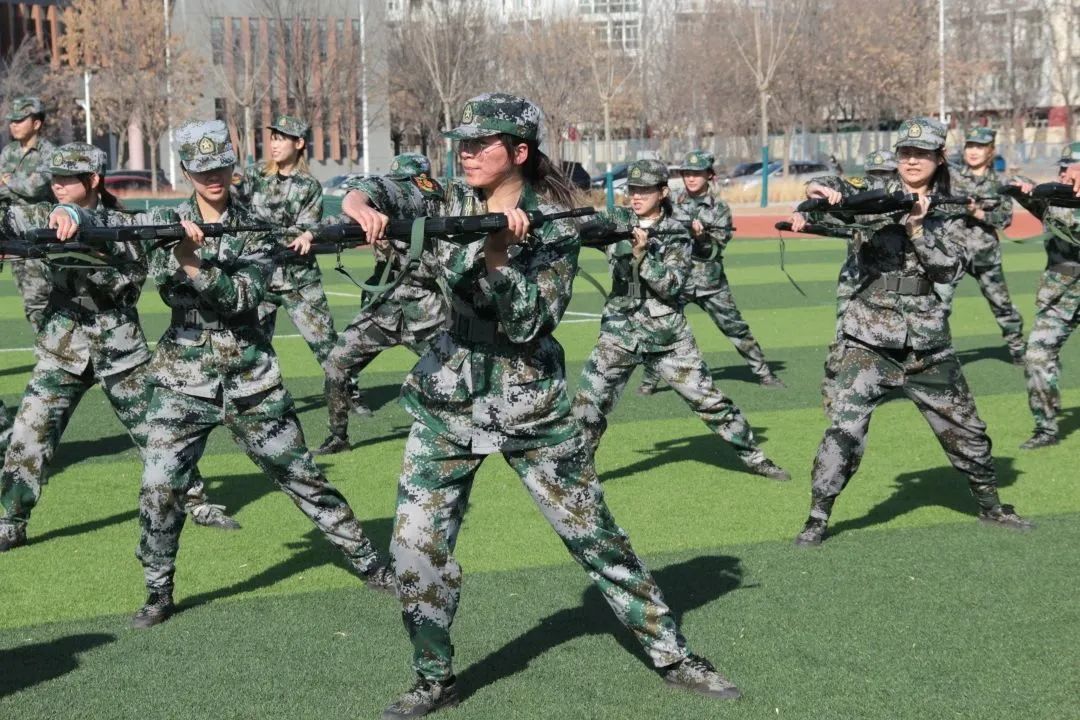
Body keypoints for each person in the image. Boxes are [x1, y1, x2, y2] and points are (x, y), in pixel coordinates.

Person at [335, 94, 744, 718]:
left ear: (519, 151)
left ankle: (672, 653)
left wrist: (498, 257)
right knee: (414, 551)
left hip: (529, 402)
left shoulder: (556, 223)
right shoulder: (446, 198)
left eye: (482, 143)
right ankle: (433, 676)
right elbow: (381, 188)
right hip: (446, 397)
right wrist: (359, 205)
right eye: (463, 142)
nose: (467, 152)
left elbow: (531, 322)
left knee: (595, 538)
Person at [63, 121, 393, 627]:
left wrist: (192, 263)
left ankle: (370, 562)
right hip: (181, 380)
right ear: (186, 170)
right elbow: (114, 240)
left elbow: (242, 298)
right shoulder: (163, 221)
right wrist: (72, 214)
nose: (213, 177)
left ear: (233, 164)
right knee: (158, 487)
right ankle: (157, 589)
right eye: (202, 170)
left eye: (220, 166)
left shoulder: (256, 226)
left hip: (250, 377)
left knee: (302, 478)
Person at [790, 117, 1032, 547]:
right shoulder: (877, 191)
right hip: (867, 340)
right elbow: (837, 185)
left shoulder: (954, 205)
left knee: (968, 433)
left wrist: (918, 227)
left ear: (940, 158)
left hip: (926, 344)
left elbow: (948, 268)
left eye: (922, 154)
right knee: (844, 432)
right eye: (906, 153)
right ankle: (817, 517)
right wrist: (818, 189)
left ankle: (992, 506)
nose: (912, 161)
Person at [0, 142, 238, 552]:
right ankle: (10, 520)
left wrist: (183, 230)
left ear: (93, 179)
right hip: (62, 345)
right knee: (28, 433)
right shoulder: (42, 215)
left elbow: (173, 221)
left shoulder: (129, 223)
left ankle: (195, 502)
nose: (57, 186)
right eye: (54, 179)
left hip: (120, 347)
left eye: (67, 179)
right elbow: (9, 218)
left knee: (158, 435)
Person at [573, 159, 789, 482]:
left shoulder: (677, 233)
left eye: (645, 190)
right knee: (587, 404)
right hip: (619, 332)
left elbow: (671, 286)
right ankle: (578, 471)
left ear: (662, 192)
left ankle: (755, 457)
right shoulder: (617, 219)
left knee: (709, 402)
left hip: (668, 337)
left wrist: (642, 257)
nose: (636, 196)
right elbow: (582, 228)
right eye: (633, 189)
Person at [311, 152, 448, 456]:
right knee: (336, 363)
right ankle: (338, 435)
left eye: (408, 184)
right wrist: (311, 234)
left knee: (455, 372)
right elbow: (344, 221)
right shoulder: (382, 206)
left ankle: (471, 430)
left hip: (425, 311)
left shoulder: (437, 203)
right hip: (382, 310)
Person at [637, 150, 783, 394]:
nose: (691, 178)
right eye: (687, 173)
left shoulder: (720, 210)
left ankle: (764, 374)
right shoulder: (669, 203)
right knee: (662, 328)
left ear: (710, 175)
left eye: (697, 173)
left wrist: (701, 237)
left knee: (735, 328)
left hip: (710, 282)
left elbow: (714, 250)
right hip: (676, 280)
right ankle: (648, 382)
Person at [935, 127, 1025, 364]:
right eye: (970, 146)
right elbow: (932, 165)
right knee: (938, 305)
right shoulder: (951, 174)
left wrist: (977, 212)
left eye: (980, 147)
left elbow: (1004, 220)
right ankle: (933, 354)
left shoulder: (1000, 182)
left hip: (985, 254)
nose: (973, 151)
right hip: (952, 252)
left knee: (1001, 305)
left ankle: (1017, 348)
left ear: (991, 151)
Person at [1013, 142, 1080, 449]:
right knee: (1037, 357)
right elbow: (1019, 190)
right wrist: (1025, 190)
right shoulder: (1052, 200)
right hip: (1060, 295)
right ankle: (1045, 427)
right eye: (1064, 168)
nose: (1067, 174)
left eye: (1074, 168)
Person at [0, 96, 55, 332]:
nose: (13, 125)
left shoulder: (49, 153)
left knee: (38, 298)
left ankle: (53, 345)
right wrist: (15, 183)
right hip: (12, 233)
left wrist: (8, 181)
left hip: (37, 233)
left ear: (36, 123)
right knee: (26, 295)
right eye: (12, 120)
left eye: (20, 120)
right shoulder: (8, 151)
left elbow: (36, 188)